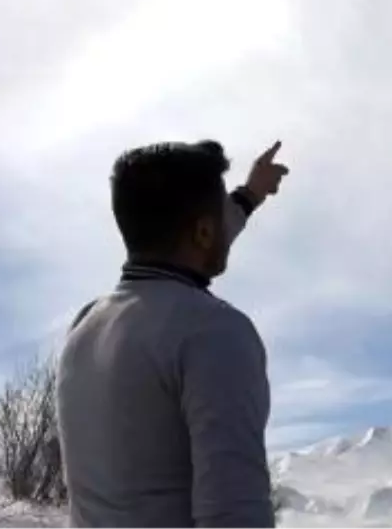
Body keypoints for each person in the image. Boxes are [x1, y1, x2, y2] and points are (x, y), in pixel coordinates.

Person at [57, 140, 289, 529]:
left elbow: (199, 240)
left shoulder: (84, 327)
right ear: (202, 231)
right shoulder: (213, 331)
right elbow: (233, 514)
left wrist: (249, 195)